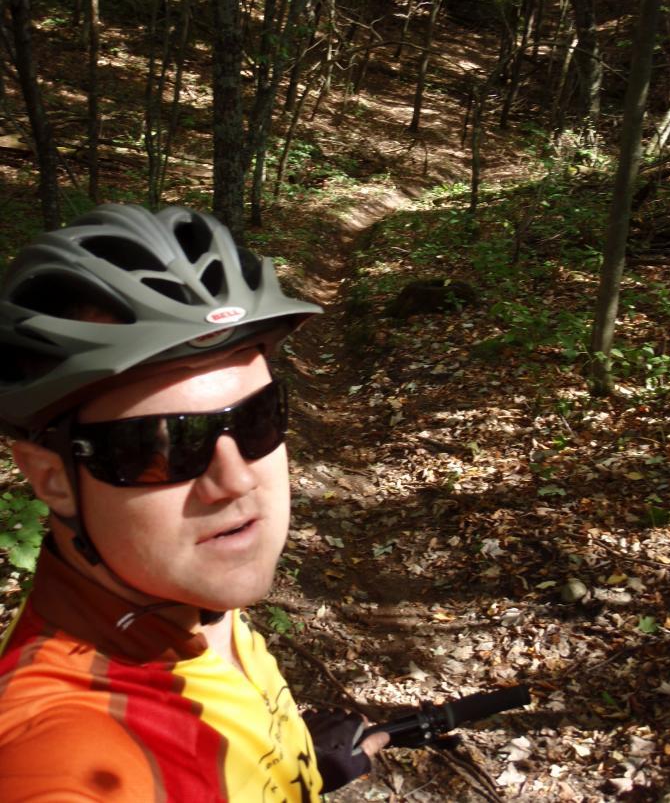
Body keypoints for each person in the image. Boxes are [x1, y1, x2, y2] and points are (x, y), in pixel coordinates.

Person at [0, 204, 388, 801]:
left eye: (259, 420)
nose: (235, 479)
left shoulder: (185, 596)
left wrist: (302, 767)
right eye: (163, 445)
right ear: (52, 478)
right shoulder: (61, 755)